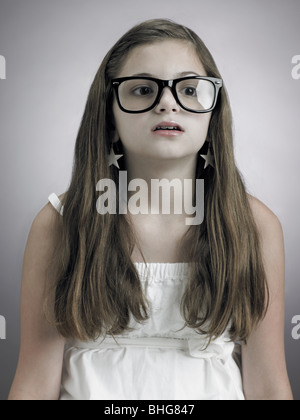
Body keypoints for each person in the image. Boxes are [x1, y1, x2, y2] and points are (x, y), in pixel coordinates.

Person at [9, 19, 293, 400]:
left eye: (189, 89)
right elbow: (33, 383)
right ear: (110, 118)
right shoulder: (60, 224)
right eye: (143, 89)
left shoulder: (255, 226)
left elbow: (269, 384)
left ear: (212, 116)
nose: (167, 101)